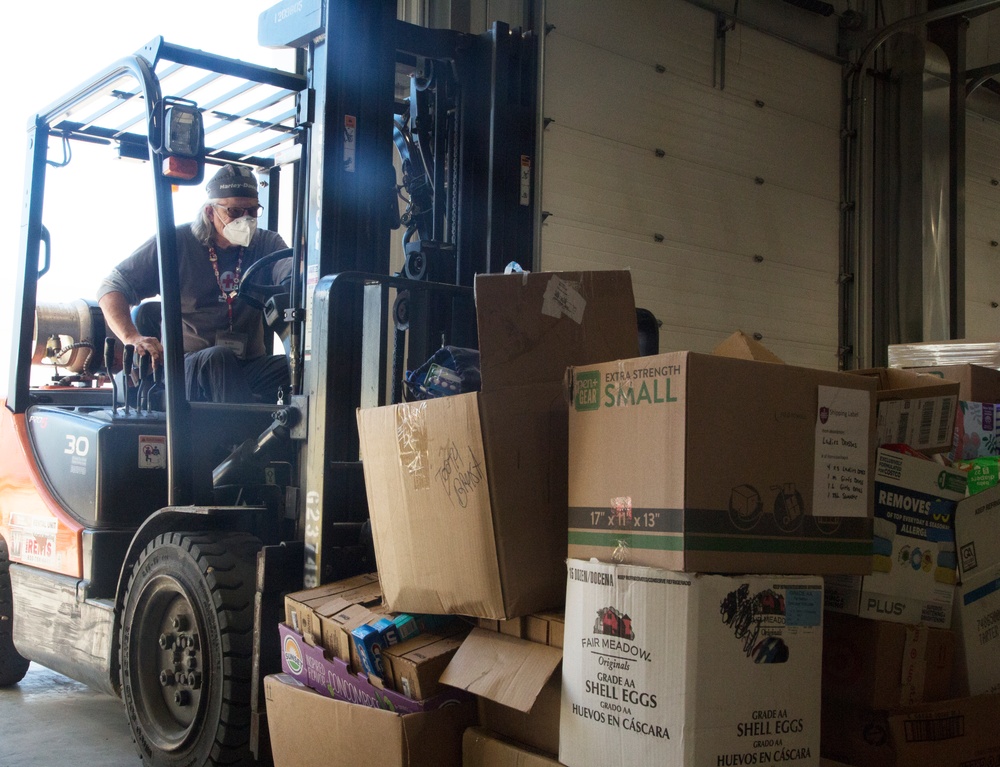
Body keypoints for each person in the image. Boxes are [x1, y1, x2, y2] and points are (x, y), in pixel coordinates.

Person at [97, 164, 291, 403]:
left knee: (298, 366)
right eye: (235, 211)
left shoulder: (267, 243)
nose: (246, 219)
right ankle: (239, 439)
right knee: (218, 359)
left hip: (249, 364)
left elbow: (291, 271)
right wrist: (132, 337)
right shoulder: (175, 243)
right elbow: (112, 286)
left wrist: (302, 278)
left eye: (252, 211)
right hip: (188, 366)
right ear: (211, 212)